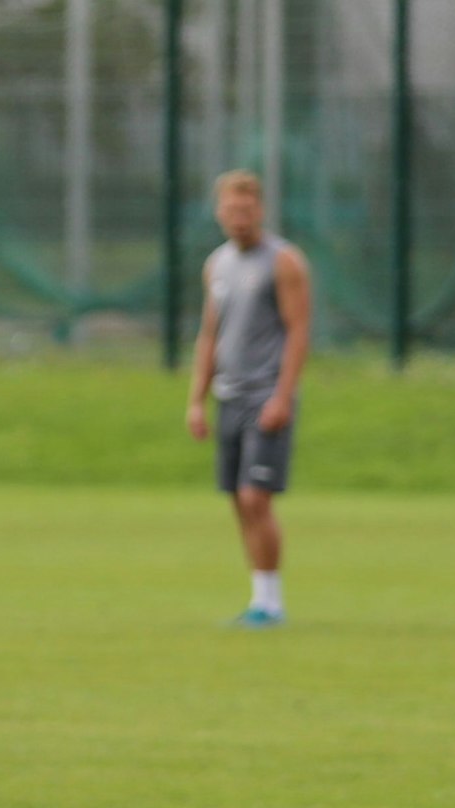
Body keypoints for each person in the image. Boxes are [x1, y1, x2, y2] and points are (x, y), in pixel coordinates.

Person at [184, 170, 312, 628]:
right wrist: (196, 399)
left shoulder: (283, 262)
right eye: (230, 209)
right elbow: (210, 335)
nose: (239, 217)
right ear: (219, 212)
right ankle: (259, 598)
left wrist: (283, 395)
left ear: (260, 210)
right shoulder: (216, 265)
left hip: (266, 396)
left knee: (255, 497)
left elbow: (298, 331)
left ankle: (272, 603)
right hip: (230, 396)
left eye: (246, 209)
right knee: (239, 501)